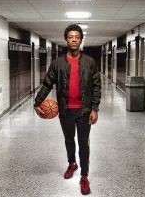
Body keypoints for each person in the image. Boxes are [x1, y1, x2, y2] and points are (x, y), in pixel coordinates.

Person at [34, 24, 101, 195]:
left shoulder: (89, 62)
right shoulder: (57, 63)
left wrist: (95, 108)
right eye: (70, 36)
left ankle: (84, 176)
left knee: (83, 142)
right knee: (69, 140)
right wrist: (37, 102)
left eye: (76, 37)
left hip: (84, 110)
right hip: (65, 110)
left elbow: (96, 86)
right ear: (66, 39)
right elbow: (47, 83)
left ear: (80, 39)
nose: (73, 39)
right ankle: (72, 163)